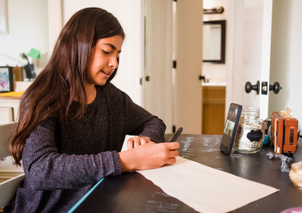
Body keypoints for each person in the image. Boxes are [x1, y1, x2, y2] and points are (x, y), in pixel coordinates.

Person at [4, 7, 179, 213]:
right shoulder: (42, 97)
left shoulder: (109, 95)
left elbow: (153, 121)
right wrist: (123, 161)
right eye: (107, 51)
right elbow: (40, 170)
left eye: (117, 54)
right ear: (79, 45)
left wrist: (144, 141)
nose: (114, 63)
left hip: (97, 199)